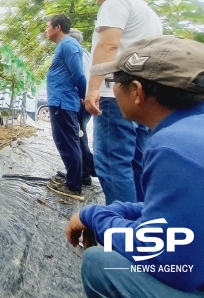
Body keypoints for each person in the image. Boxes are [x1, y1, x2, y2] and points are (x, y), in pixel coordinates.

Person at [65, 35, 204, 297]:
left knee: (101, 264)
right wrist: (113, 211)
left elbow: (173, 264)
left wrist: (97, 218)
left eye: (112, 82)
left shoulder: (173, 146)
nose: (112, 90)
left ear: (137, 91)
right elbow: (179, 208)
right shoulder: (193, 131)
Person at [84, 0, 163, 204]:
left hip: (116, 95)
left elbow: (109, 46)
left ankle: (121, 233)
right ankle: (141, 224)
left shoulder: (116, 3)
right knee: (137, 161)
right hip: (143, 96)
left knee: (112, 163)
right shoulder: (150, 14)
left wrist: (95, 87)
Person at [44, 15, 87, 201]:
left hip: (63, 102)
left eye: (48, 26)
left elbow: (79, 75)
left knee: (67, 142)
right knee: (69, 141)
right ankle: (77, 176)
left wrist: (84, 96)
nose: (46, 30)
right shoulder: (64, 45)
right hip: (62, 101)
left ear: (58, 27)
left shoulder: (68, 45)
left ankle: (74, 185)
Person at [65, 27, 97, 185]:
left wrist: (81, 96)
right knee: (79, 135)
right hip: (84, 101)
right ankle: (84, 171)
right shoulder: (86, 54)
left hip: (80, 102)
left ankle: (85, 173)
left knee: (77, 137)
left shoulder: (76, 54)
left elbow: (80, 77)